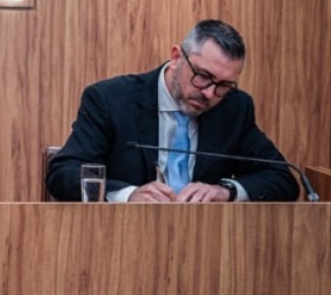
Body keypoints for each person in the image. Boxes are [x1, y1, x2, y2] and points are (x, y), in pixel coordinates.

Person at [47, 19, 299, 203]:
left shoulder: (234, 108)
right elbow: (63, 173)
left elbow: (282, 178)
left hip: (204, 241)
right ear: (177, 57)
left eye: (223, 85)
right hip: (122, 237)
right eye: (203, 76)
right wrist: (128, 195)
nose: (210, 93)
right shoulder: (111, 100)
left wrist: (226, 191)